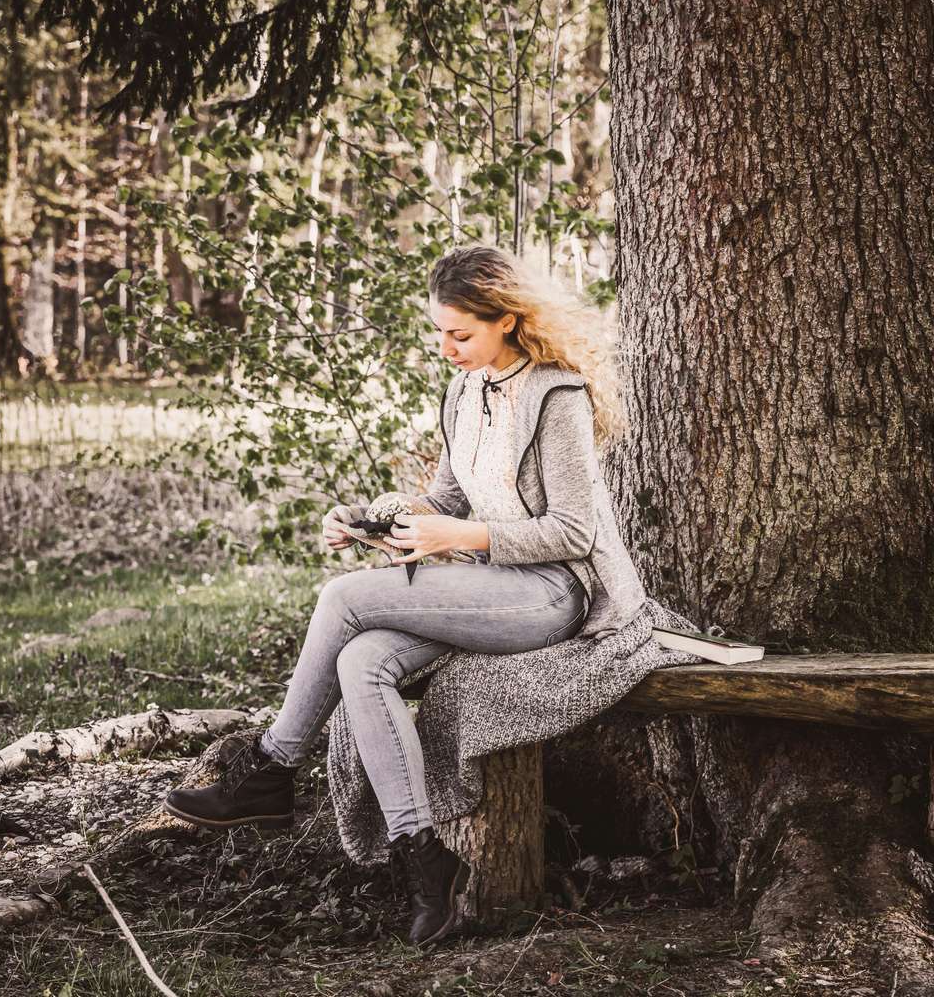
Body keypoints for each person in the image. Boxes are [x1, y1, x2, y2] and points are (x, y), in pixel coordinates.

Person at [164, 243, 642, 948]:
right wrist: (368, 518)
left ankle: (269, 769)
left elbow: (571, 531)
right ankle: (426, 859)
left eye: (460, 333)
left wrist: (460, 536)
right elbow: (444, 499)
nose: (445, 347)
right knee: (362, 661)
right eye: (439, 332)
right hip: (480, 588)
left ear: (507, 319)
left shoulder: (556, 395)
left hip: (550, 594)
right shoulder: (464, 392)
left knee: (344, 601)